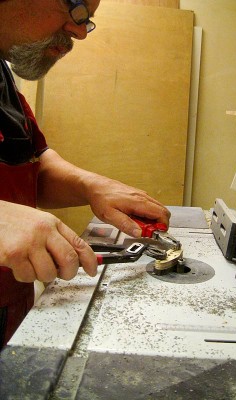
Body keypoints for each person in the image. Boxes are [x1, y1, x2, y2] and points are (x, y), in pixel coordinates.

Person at [0, 0, 170, 348]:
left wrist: (90, 186)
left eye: (87, 21)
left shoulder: (3, 78)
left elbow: (28, 163)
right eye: (77, 9)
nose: (80, 31)